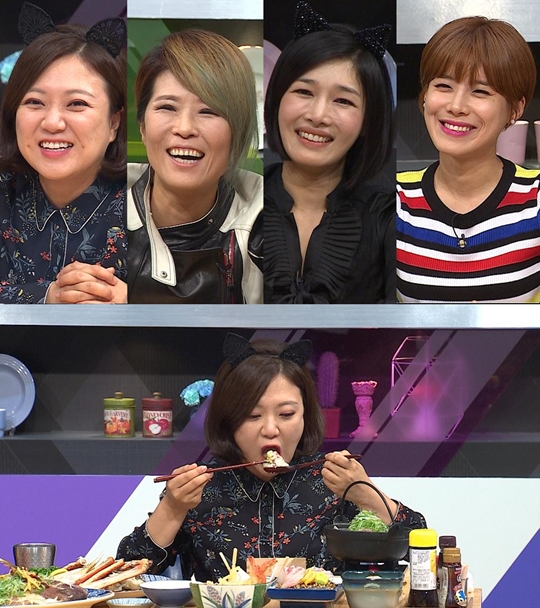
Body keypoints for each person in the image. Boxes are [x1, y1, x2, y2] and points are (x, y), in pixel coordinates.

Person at [117, 334, 426, 581]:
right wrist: (172, 508)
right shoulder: (200, 489)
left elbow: (420, 552)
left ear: (305, 416)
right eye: (252, 416)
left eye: (286, 414)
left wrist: (366, 494)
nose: (270, 429)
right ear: (228, 422)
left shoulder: (333, 482)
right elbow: (127, 573)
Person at [396, 16, 540, 302]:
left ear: (515, 109)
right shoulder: (395, 202)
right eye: (443, 86)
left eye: (480, 91)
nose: (456, 106)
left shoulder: (534, 199)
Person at [263, 1, 395, 304]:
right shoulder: (241, 206)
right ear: (277, 99)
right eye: (304, 92)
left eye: (343, 101)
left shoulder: (390, 218)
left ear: (368, 120)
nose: (318, 115)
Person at [0, 2, 127, 304]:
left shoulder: (148, 203)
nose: (52, 123)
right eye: (34, 102)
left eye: (76, 104)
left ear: (114, 122)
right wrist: (47, 298)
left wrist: (135, 302)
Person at [127, 29, 263, 304]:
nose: (185, 128)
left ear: (237, 133)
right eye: (167, 107)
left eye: (208, 111)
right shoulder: (101, 203)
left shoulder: (263, 215)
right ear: (142, 126)